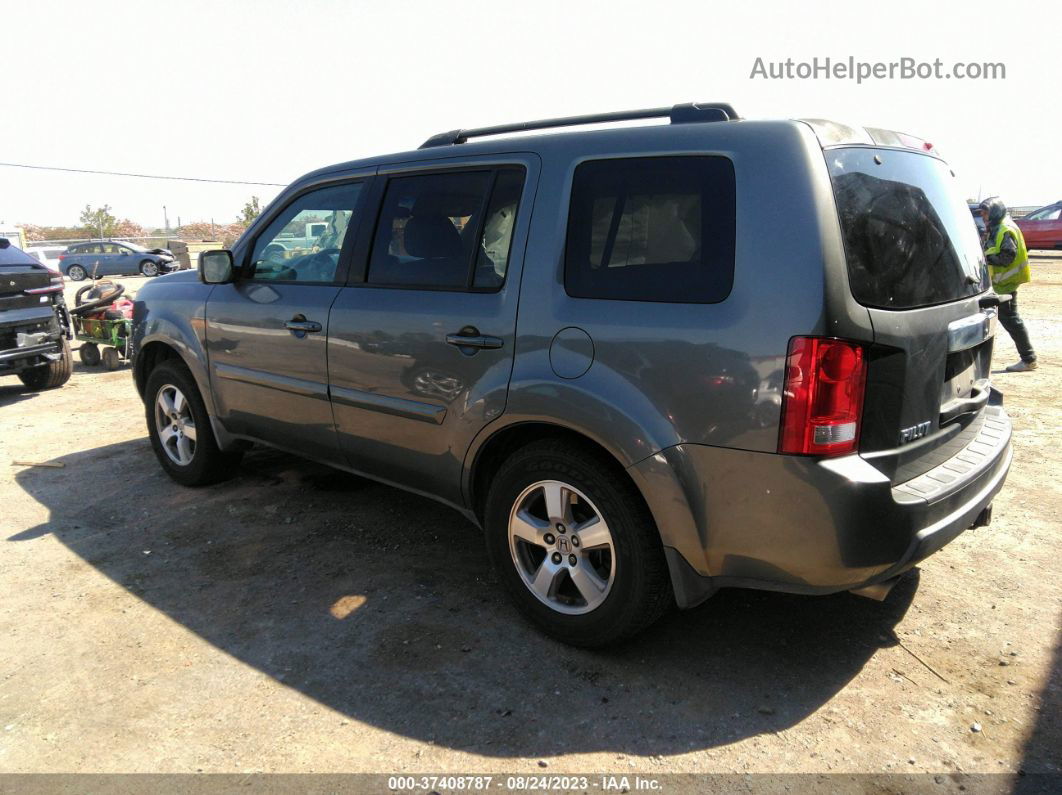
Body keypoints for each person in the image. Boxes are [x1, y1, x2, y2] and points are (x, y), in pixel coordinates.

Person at [980, 197, 1037, 372]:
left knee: (1011, 321)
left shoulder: (1004, 229)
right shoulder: (997, 227)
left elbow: (1007, 257)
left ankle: (1028, 359)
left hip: (1005, 285)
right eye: (982, 213)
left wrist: (985, 259)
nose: (983, 217)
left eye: (986, 213)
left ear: (995, 212)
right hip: (998, 284)